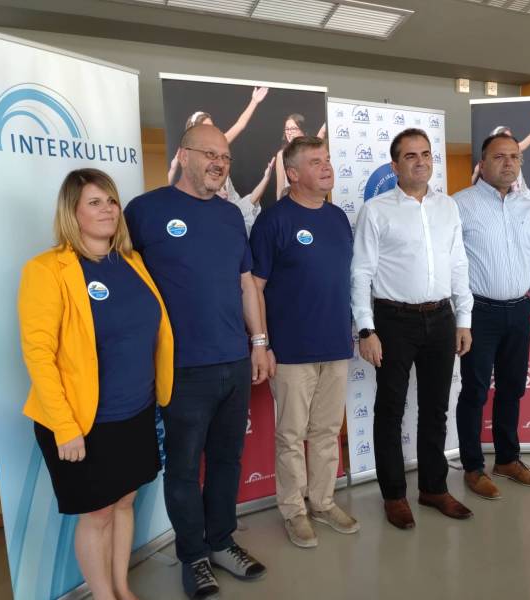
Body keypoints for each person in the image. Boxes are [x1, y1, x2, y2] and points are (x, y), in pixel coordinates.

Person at [125, 124, 270, 600]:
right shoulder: (145, 211)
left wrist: (259, 342)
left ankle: (222, 542)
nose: (219, 164)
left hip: (233, 361)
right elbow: (124, 283)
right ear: (183, 155)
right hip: (181, 367)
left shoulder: (231, 216)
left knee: (227, 461)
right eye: (209, 154)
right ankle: (193, 556)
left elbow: (246, 282)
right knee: (185, 468)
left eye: (225, 157)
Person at [19, 168, 174, 600]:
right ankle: (104, 596)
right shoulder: (47, 270)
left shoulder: (132, 262)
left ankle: (122, 586)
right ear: (72, 213)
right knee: (98, 513)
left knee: (125, 502)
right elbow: (39, 355)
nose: (108, 209)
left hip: (136, 412)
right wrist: (64, 426)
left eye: (111, 200)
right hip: (83, 421)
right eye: (94, 202)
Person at [351, 128, 474, 530]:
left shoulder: (447, 207)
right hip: (393, 321)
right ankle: (394, 496)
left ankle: (434, 488)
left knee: (436, 408)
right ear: (395, 165)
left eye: (425, 154)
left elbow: (458, 264)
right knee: (390, 409)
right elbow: (361, 272)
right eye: (410, 156)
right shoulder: (376, 210)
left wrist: (463, 319)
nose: (420, 161)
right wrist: (366, 329)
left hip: (441, 318)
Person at [250, 136, 357, 548]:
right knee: (292, 436)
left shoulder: (337, 218)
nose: (326, 167)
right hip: (292, 351)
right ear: (292, 174)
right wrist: (262, 343)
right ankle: (294, 511)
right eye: (315, 162)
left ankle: (323, 502)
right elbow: (254, 287)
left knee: (327, 431)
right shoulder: (273, 221)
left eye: (327, 159)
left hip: (335, 345)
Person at [454, 133, 530, 501]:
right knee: (475, 391)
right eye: (499, 157)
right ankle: (473, 467)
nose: (508, 163)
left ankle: (508, 460)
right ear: (482, 163)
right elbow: (452, 264)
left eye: (514, 156)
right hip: (478, 312)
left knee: (512, 387)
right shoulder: (459, 205)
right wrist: (460, 318)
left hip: (519, 309)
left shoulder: (528, 207)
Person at [167, 87, 272, 234]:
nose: (211, 132)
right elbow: (173, 189)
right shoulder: (185, 158)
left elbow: (240, 125)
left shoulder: (219, 146)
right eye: (205, 128)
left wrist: (254, 102)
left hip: (230, 213)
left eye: (212, 127)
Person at [471, 99, 530, 197]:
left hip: (525, 198)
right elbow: (470, 188)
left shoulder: (516, 150)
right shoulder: (489, 162)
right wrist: (476, 173)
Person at [275, 113, 327, 200]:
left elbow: (322, 133)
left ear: (303, 130)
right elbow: (280, 188)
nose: (289, 132)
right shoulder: (281, 154)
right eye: (287, 129)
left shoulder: (311, 149)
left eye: (293, 129)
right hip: (292, 203)